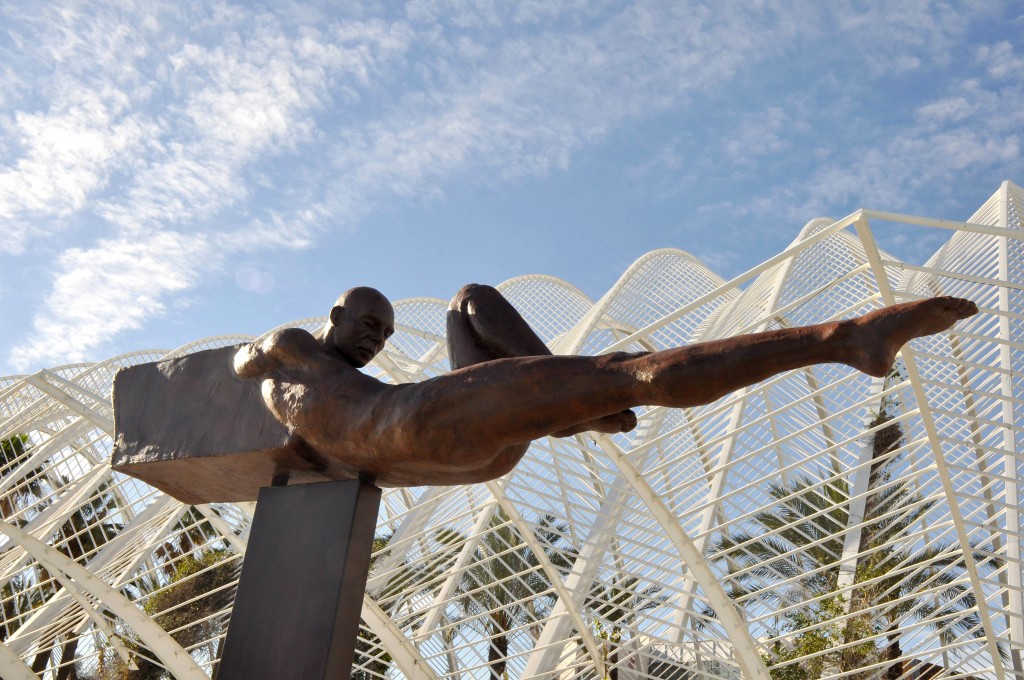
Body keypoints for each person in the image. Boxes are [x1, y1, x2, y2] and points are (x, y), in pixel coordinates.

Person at [233, 284, 977, 487]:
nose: (374, 337)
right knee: (630, 375)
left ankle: (577, 404)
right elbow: (238, 362)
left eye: (386, 332)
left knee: (470, 299)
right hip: (417, 432)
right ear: (333, 315)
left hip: (442, 448)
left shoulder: (325, 392)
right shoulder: (287, 346)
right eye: (366, 322)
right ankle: (843, 339)